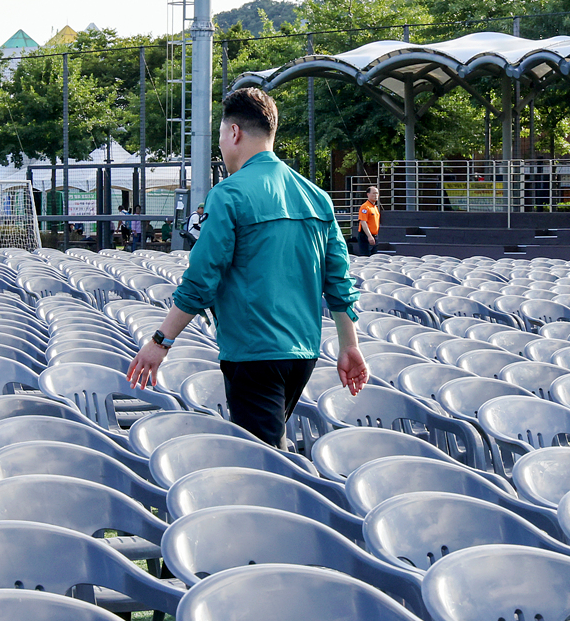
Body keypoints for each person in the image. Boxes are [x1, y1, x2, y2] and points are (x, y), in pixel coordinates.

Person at [126, 87, 368, 446]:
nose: (221, 145)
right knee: (269, 447)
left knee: (263, 461)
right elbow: (338, 282)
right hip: (303, 353)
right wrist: (350, 345)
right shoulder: (316, 196)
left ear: (234, 132)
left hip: (254, 352)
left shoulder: (228, 194)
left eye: (221, 135)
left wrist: (160, 342)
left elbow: (201, 279)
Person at [355, 184, 381, 257]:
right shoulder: (365, 207)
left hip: (375, 235)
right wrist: (369, 236)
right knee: (366, 257)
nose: (376, 195)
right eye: (374, 193)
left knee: (374, 257)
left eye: (377, 193)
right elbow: (363, 222)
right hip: (366, 236)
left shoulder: (375, 207)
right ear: (368, 194)